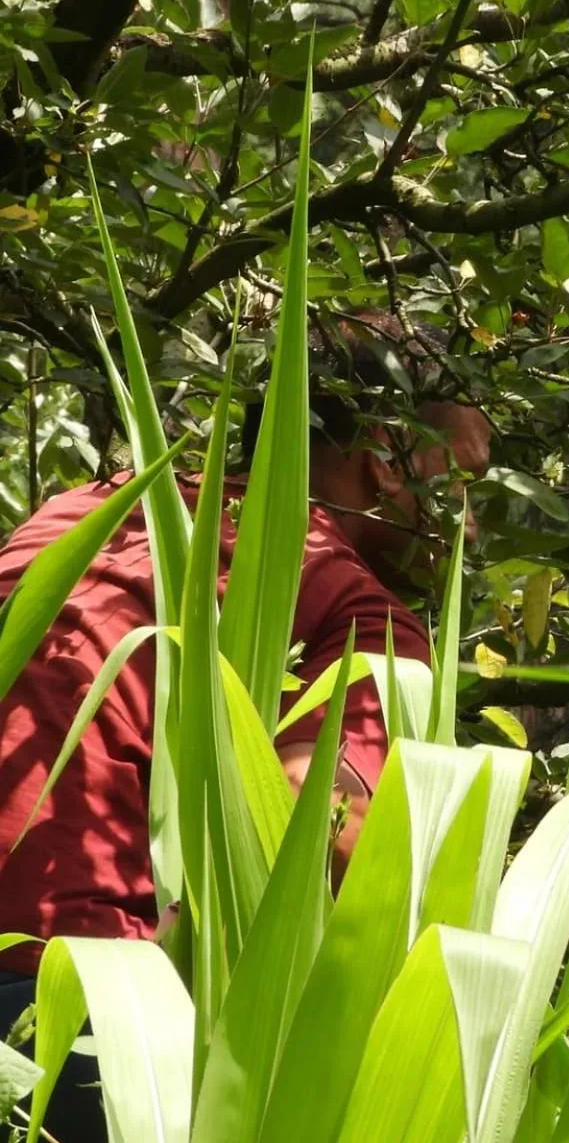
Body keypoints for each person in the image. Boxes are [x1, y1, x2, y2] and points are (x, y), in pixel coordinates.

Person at [0, 311, 490, 1139]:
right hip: (94, 1010)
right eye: (468, 482)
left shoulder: (77, 513)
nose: (474, 527)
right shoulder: (351, 609)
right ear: (387, 455)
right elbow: (308, 842)